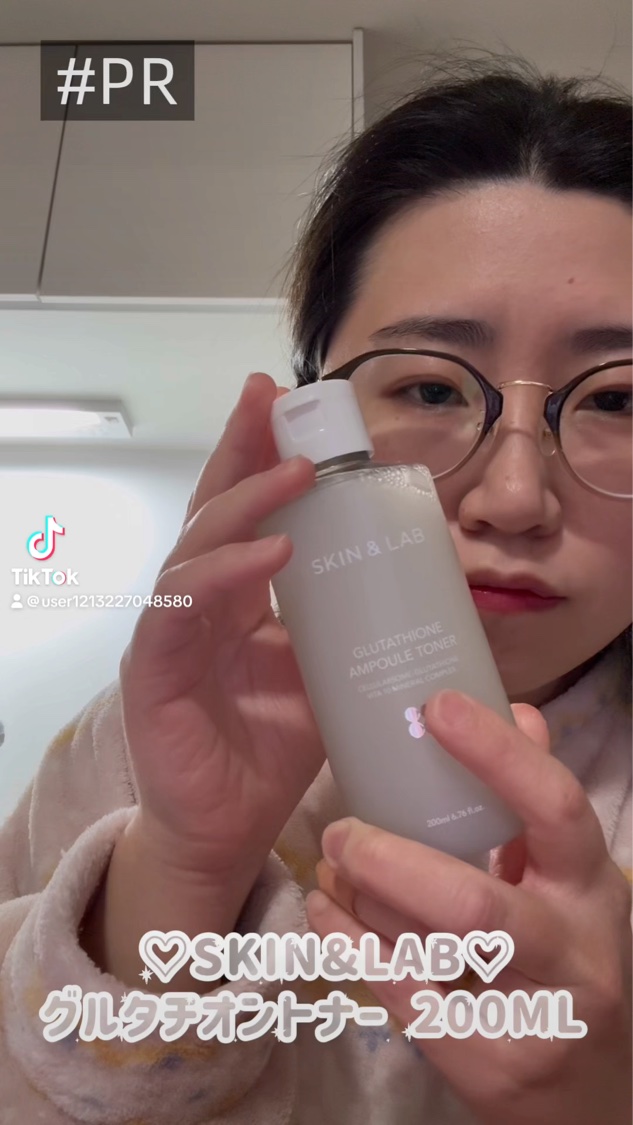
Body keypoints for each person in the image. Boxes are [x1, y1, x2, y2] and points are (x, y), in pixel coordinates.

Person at [0, 52, 631, 1125]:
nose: (514, 498)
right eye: (428, 386)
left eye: (619, 400)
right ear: (313, 416)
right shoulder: (142, 747)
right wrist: (181, 869)